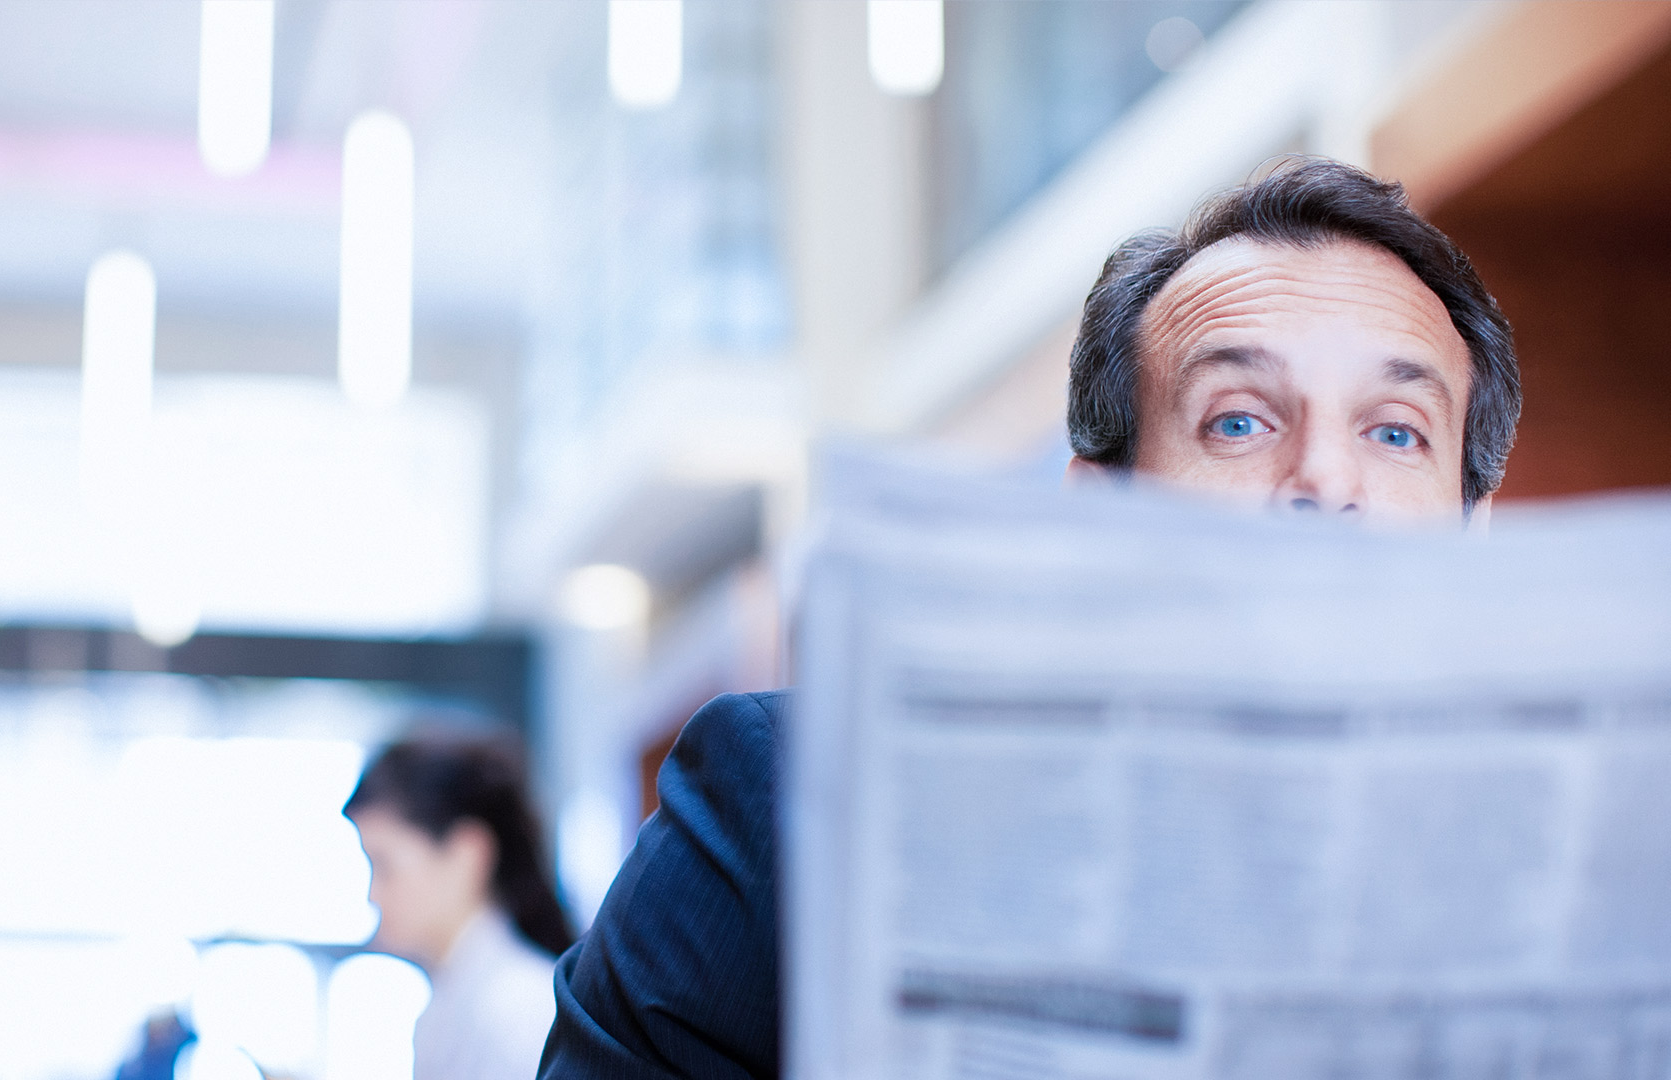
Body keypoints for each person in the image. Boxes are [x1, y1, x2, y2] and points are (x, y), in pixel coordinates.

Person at [536, 157, 1522, 1079]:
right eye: (1238, 420)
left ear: (1471, 533)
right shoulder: (790, 801)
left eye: (1396, 432)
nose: (1324, 481)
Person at [344, 730, 574, 1080]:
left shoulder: (520, 1011)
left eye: (384, 865)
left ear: (467, 854)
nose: (372, 895)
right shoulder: (451, 1001)